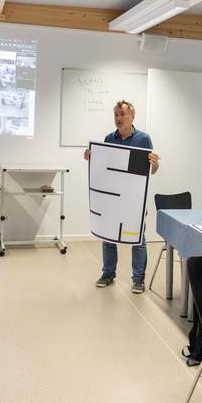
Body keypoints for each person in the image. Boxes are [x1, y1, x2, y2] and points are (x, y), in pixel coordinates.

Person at [84, 100, 160, 294]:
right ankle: (108, 274)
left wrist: (155, 163)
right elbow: (104, 169)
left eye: (122, 114)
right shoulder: (109, 138)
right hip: (112, 199)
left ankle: (138, 280)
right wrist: (92, 158)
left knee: (137, 239)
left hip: (134, 200)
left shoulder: (143, 139)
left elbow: (152, 171)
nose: (118, 118)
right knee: (108, 238)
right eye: (116, 115)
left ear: (132, 117)